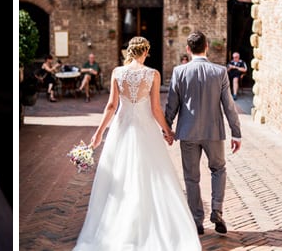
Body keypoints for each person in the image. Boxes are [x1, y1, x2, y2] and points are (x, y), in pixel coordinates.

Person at [73, 37, 201, 250]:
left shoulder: (117, 73)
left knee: (119, 178)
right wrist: (167, 131)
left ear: (129, 52)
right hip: (145, 130)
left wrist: (98, 133)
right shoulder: (152, 74)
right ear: (145, 52)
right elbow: (155, 109)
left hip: (121, 130)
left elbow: (111, 106)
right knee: (151, 176)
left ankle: (115, 227)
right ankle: (148, 225)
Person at [166, 31, 243, 236]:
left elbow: (171, 104)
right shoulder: (219, 72)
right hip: (213, 132)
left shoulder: (179, 72)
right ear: (207, 46)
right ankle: (216, 210)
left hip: (187, 132)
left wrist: (167, 128)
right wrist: (236, 133)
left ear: (188, 49)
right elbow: (229, 106)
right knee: (218, 169)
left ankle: (196, 220)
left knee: (191, 178)